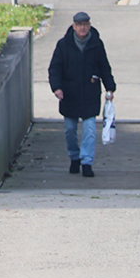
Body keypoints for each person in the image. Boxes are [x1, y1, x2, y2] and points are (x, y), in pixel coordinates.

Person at [47, 10, 116, 178]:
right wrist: (57, 88)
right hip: (69, 94)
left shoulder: (96, 44)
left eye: (85, 24)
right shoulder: (63, 45)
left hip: (90, 93)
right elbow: (54, 68)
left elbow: (104, 67)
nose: (83, 28)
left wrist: (110, 88)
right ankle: (74, 157)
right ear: (74, 26)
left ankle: (87, 162)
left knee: (90, 130)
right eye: (79, 25)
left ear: (90, 25)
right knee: (70, 130)